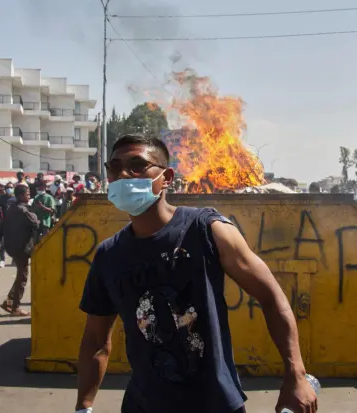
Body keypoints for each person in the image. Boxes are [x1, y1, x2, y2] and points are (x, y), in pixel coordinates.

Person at [75, 134, 317, 413]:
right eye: (114, 167)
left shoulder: (206, 230)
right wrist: (84, 406)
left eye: (137, 165)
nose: (124, 174)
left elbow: (272, 297)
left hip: (215, 404)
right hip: (142, 405)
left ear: (166, 177)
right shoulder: (109, 255)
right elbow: (95, 339)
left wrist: (296, 375)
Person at [0, 185, 39, 317]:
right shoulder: (22, 210)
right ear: (21, 195)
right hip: (21, 247)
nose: (29, 196)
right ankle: (15, 306)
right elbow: (35, 222)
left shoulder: (12, 208)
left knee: (20, 275)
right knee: (22, 277)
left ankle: (10, 301)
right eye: (27, 194)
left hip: (12, 246)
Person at [0, 182, 16, 268]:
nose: (9, 189)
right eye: (8, 188)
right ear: (5, 189)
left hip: (15, 223)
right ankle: (2, 260)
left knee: (14, 242)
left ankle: (14, 259)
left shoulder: (16, 198)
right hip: (4, 223)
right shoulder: (2, 198)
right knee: (2, 242)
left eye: (11, 187)